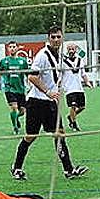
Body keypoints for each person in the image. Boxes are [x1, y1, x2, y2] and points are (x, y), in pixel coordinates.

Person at [11, 25, 86, 181]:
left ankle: (68, 170)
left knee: (59, 134)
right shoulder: (42, 55)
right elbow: (32, 77)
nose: (56, 39)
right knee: (30, 136)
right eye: (53, 37)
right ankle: (16, 167)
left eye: (59, 37)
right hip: (36, 102)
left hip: (51, 103)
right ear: (48, 38)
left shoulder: (59, 55)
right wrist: (48, 91)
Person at [0, 41, 29, 135]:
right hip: (9, 88)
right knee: (14, 107)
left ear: (18, 48)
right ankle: (15, 127)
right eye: (10, 47)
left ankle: (16, 118)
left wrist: (31, 84)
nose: (12, 48)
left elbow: (28, 74)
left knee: (22, 111)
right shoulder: (4, 61)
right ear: (7, 49)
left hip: (20, 89)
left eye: (14, 46)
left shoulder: (23, 61)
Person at [62, 42, 92, 132]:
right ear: (67, 50)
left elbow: (83, 74)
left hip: (79, 88)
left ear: (75, 50)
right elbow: (59, 74)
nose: (71, 50)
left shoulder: (80, 60)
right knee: (73, 106)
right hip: (69, 89)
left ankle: (70, 117)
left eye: (73, 48)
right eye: (69, 48)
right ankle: (74, 124)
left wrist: (87, 82)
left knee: (82, 107)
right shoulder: (63, 62)